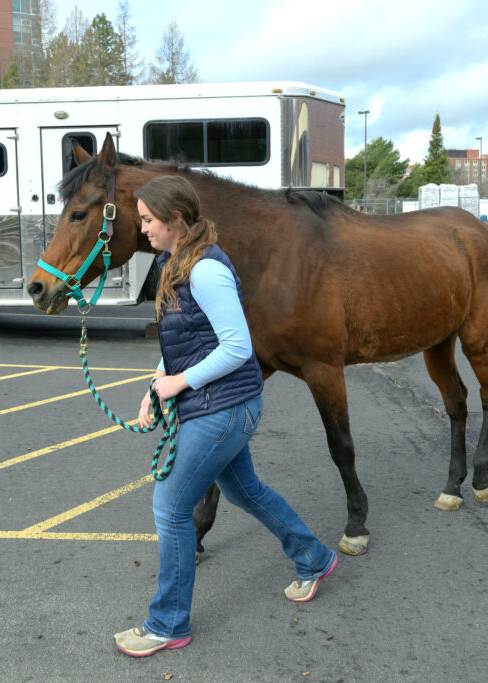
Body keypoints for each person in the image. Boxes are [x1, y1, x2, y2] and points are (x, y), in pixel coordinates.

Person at [113, 176, 337, 658]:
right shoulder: (172, 261)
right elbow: (181, 342)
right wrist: (158, 386)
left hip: (226, 409)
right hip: (215, 406)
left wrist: (178, 383)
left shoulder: (207, 271)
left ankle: (168, 624)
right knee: (245, 491)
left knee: (170, 509)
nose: (143, 228)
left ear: (175, 220)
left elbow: (237, 347)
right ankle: (314, 559)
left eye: (149, 220)